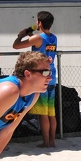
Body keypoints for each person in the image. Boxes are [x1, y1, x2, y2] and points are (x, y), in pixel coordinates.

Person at [13, 11, 57, 148]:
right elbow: (41, 42)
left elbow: (16, 45)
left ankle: (46, 142)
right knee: (51, 112)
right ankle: (53, 141)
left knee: (42, 113)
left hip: (40, 78)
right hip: (52, 76)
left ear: (39, 23)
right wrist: (32, 36)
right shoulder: (54, 37)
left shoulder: (38, 38)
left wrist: (21, 35)